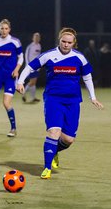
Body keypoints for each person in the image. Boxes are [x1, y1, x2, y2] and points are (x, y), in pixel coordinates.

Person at [17, 27, 104, 179]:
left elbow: (87, 77)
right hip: (53, 99)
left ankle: (54, 151)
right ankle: (47, 167)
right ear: (59, 41)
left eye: (69, 42)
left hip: (73, 101)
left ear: (73, 43)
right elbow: (30, 67)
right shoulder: (49, 55)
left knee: (68, 139)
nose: (65, 44)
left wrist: (93, 97)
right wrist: (20, 81)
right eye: (63, 41)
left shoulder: (80, 57)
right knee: (54, 132)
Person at [22, 32, 42, 103]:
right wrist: (29, 66)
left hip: (36, 67)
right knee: (32, 82)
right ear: (33, 38)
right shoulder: (30, 46)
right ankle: (23, 93)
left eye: (38, 37)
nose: (37, 39)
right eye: (35, 37)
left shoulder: (39, 45)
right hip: (31, 67)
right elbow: (26, 56)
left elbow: (39, 56)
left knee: (33, 83)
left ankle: (33, 98)